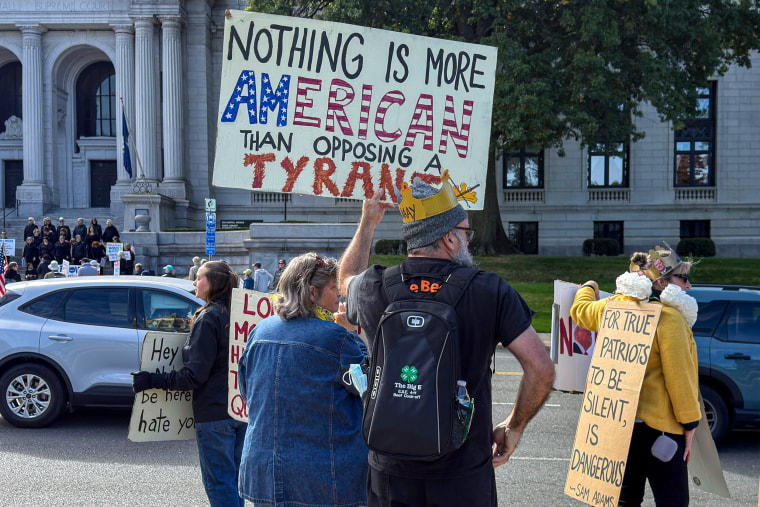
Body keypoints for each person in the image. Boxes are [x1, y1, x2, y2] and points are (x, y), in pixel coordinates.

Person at [338, 176, 555, 506]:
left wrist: (368, 221)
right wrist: (513, 427)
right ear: (449, 239)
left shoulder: (374, 285)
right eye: (465, 232)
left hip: (390, 474)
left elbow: (345, 281)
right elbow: (541, 369)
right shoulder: (489, 290)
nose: (468, 240)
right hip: (463, 474)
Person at [570, 246, 701, 507]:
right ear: (662, 283)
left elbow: (580, 310)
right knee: (672, 501)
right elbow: (680, 381)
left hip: (619, 427)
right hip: (661, 431)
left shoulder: (612, 308)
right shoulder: (670, 319)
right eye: (683, 278)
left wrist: (589, 285)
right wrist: (690, 425)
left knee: (625, 500)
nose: (688, 286)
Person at [238, 252, 368, 506]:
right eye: (333, 288)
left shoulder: (259, 331)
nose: (339, 295)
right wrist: (351, 334)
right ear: (311, 292)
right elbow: (368, 390)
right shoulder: (337, 338)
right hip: (322, 476)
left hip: (263, 472)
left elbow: (246, 391)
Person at [132, 261, 246, 506]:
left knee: (220, 484)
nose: (194, 282)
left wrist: (152, 380)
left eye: (199, 277)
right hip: (241, 409)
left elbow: (194, 375)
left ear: (213, 282)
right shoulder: (237, 314)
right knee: (234, 480)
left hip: (215, 414)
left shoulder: (209, 318)